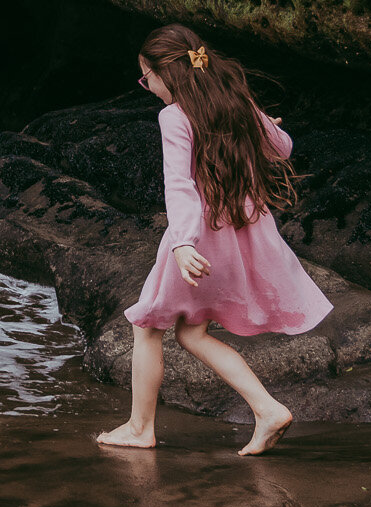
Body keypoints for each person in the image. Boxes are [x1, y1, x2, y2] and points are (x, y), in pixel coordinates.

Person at [96, 24, 332, 456]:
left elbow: (180, 185)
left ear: (168, 74)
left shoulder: (173, 116)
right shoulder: (235, 101)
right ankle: (266, 409)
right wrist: (259, 118)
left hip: (200, 234)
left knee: (146, 324)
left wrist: (182, 243)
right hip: (243, 230)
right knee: (191, 333)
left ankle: (139, 428)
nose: (147, 88)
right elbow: (282, 147)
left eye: (146, 78)